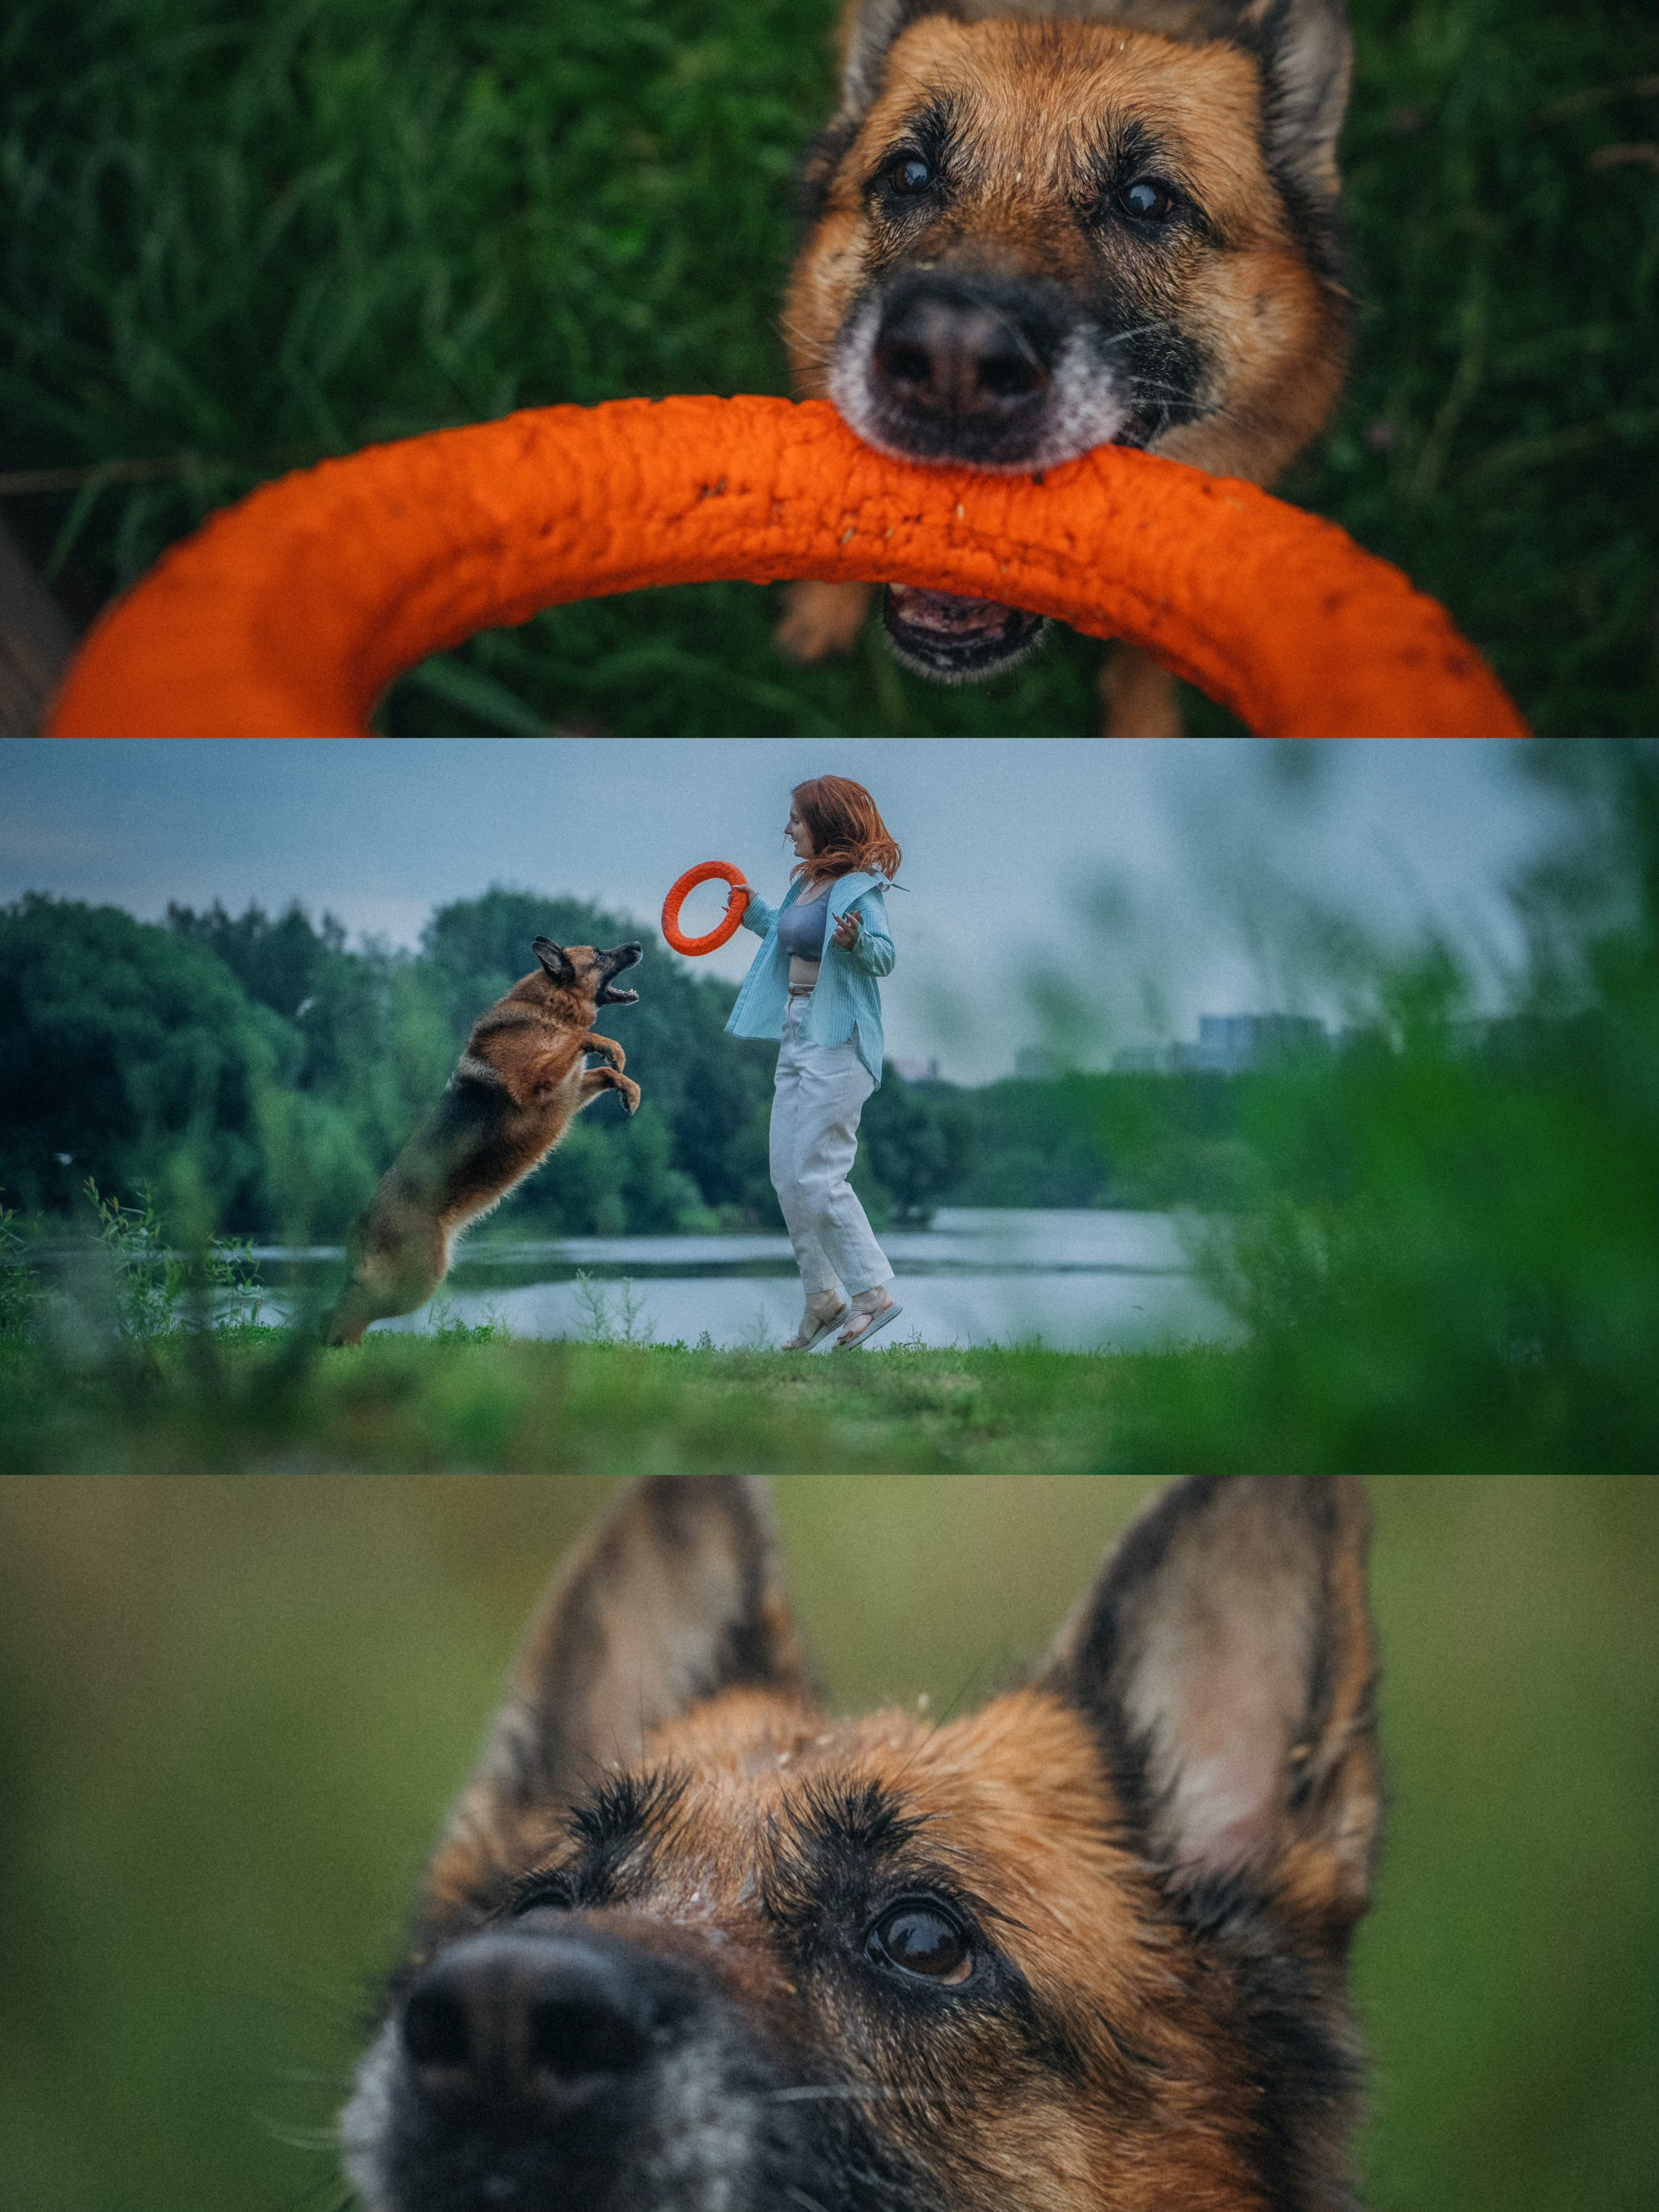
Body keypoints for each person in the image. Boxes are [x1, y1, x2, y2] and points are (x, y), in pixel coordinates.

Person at [726, 776, 903, 1351]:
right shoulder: (806, 885)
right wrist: (751, 910)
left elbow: (886, 957)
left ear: (825, 824)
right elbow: (785, 934)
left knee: (818, 1174)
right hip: (796, 1030)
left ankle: (873, 1294)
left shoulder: (859, 892)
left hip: (840, 1038)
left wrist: (855, 944)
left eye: (797, 820)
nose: (788, 830)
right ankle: (822, 1298)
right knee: (786, 1173)